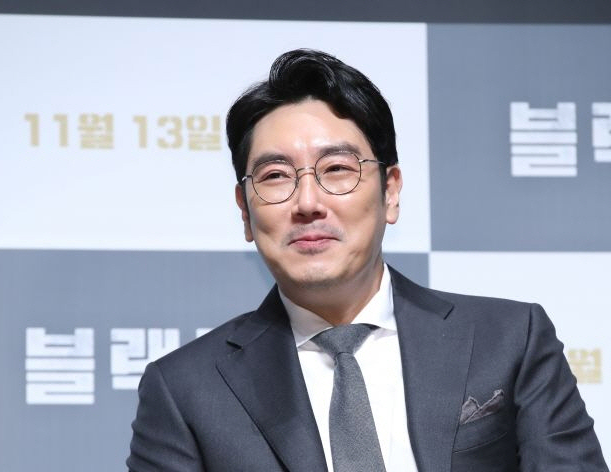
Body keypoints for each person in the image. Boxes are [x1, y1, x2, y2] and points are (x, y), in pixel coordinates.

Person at [127, 49, 608, 471]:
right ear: (245, 211)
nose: (308, 202)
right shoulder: (185, 390)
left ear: (390, 191)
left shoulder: (509, 340)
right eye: (275, 176)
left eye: (337, 168)